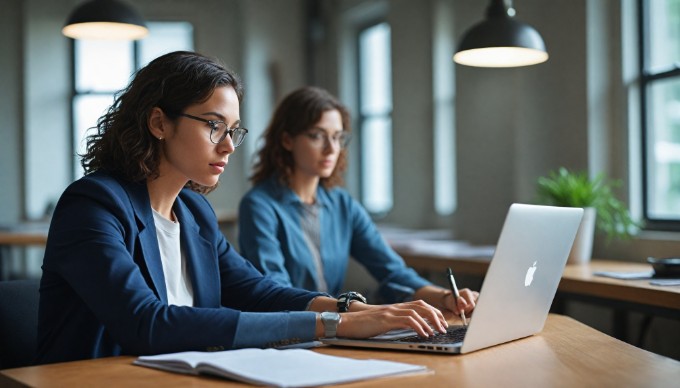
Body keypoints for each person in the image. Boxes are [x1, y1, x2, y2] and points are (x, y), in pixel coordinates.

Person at [36, 52, 449, 365]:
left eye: (232, 130)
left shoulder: (194, 213)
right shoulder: (93, 205)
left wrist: (356, 309)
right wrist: (336, 325)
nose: (229, 145)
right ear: (159, 123)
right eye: (213, 125)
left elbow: (258, 291)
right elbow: (148, 324)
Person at [238, 86, 478, 316]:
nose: (332, 149)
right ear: (287, 140)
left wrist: (446, 296)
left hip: (333, 328)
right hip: (288, 332)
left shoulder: (342, 203)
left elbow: (391, 270)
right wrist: (371, 313)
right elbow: (277, 293)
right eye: (317, 136)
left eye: (338, 137)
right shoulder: (258, 206)